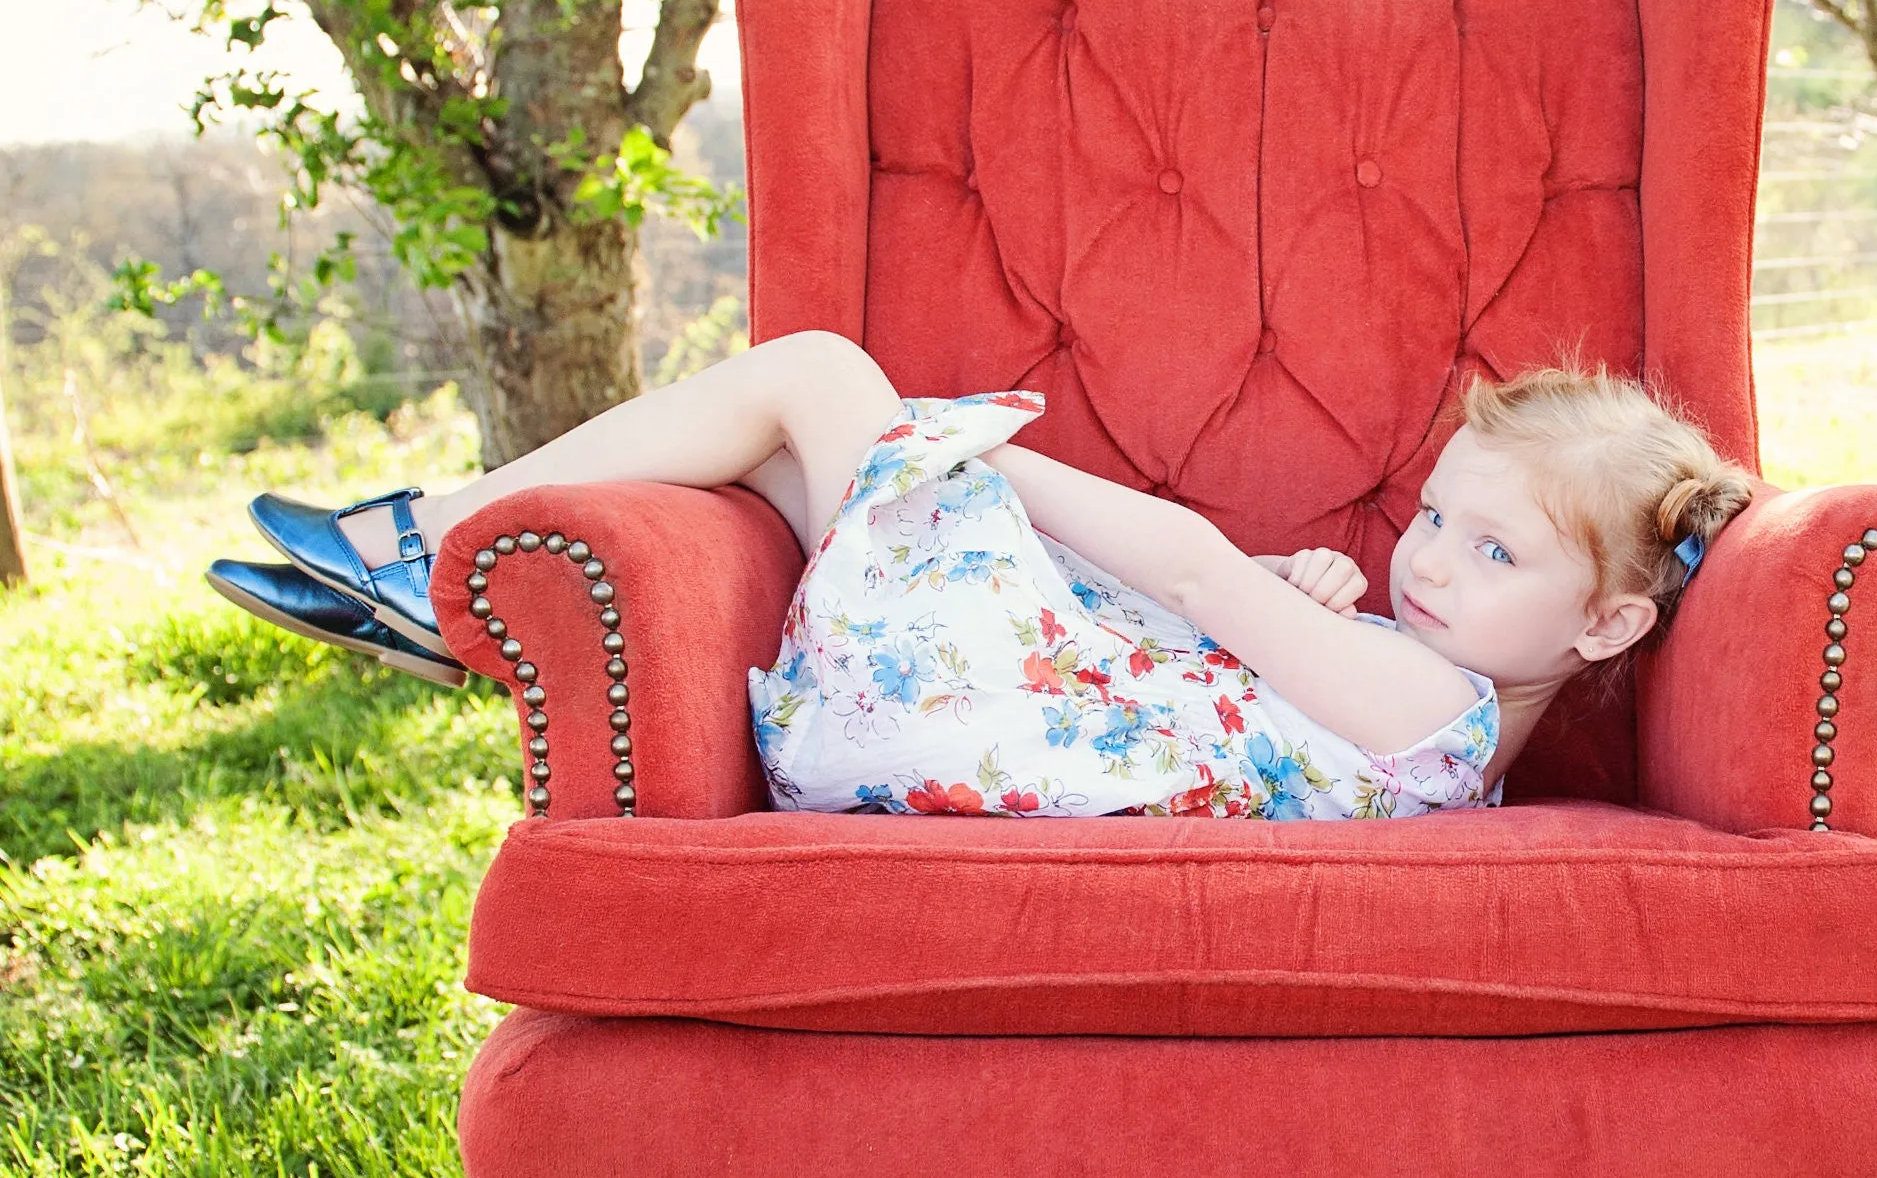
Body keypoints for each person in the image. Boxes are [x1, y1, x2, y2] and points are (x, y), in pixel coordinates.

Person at [209, 332, 1754, 820]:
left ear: (1614, 619)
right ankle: (448, 598)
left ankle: (439, 536)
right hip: (946, 729)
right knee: (775, 458)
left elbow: (1203, 574)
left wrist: (950, 449)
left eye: (1494, 552)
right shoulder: (1437, 729)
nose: (1426, 558)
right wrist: (1288, 612)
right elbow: (1215, 665)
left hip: (941, 728)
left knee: (824, 379)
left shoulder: (1439, 709)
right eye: (1434, 517)